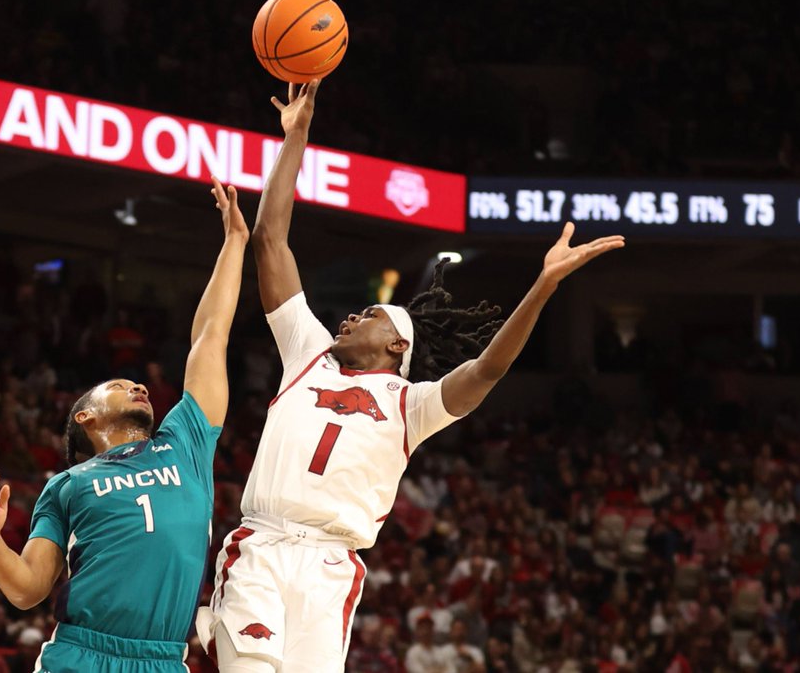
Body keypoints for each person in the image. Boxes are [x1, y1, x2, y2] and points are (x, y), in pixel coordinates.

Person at [200, 80, 625, 672]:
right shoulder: (307, 352)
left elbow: (489, 368)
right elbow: (272, 240)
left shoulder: (412, 404)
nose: (349, 316)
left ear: (398, 343)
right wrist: (296, 136)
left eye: (368, 314)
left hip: (331, 567)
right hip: (263, 546)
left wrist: (543, 286)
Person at [0, 178, 249, 672]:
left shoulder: (183, 441)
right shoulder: (66, 485)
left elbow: (210, 336)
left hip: (162, 659)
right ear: (85, 415)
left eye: (137, 384)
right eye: (119, 384)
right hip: (81, 653)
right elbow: (29, 589)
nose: (137, 386)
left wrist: (234, 244)